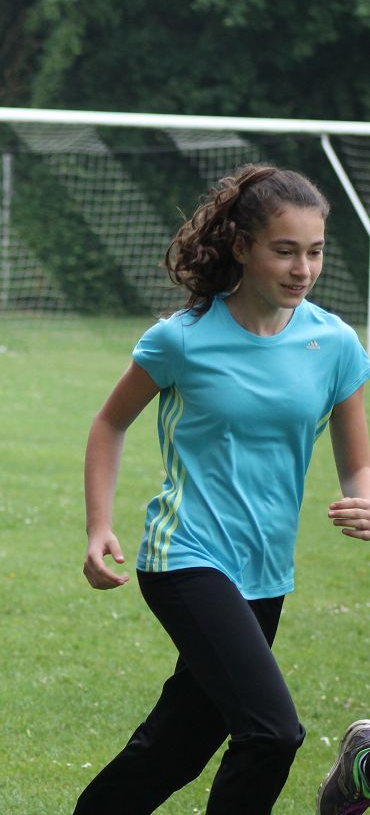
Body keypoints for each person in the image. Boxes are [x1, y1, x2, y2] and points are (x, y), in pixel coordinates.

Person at [75, 164, 370, 813]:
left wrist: (364, 498)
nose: (303, 269)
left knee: (177, 746)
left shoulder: (335, 344)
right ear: (242, 246)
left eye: (315, 252)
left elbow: (358, 465)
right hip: (186, 557)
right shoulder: (182, 339)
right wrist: (99, 526)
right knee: (273, 732)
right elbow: (109, 423)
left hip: (267, 570)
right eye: (284, 251)